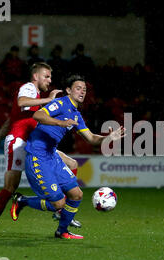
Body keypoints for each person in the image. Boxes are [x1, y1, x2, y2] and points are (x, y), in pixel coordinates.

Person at [10, 74, 125, 239]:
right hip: (37, 156)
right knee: (58, 203)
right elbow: (38, 116)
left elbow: (91, 138)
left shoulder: (76, 115)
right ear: (69, 90)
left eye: (84, 90)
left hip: (51, 155)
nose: (82, 92)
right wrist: (60, 123)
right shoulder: (61, 103)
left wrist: (108, 138)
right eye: (78, 88)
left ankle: (62, 231)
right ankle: (22, 201)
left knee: (76, 194)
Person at [0, 62, 80, 239]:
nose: (50, 80)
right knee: (9, 187)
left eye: (50, 76)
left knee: (71, 163)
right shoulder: (29, 88)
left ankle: (60, 210)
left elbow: (11, 119)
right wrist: (49, 100)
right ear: (35, 77)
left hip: (35, 146)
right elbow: (21, 102)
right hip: (19, 142)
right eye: (46, 76)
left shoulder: (36, 97)